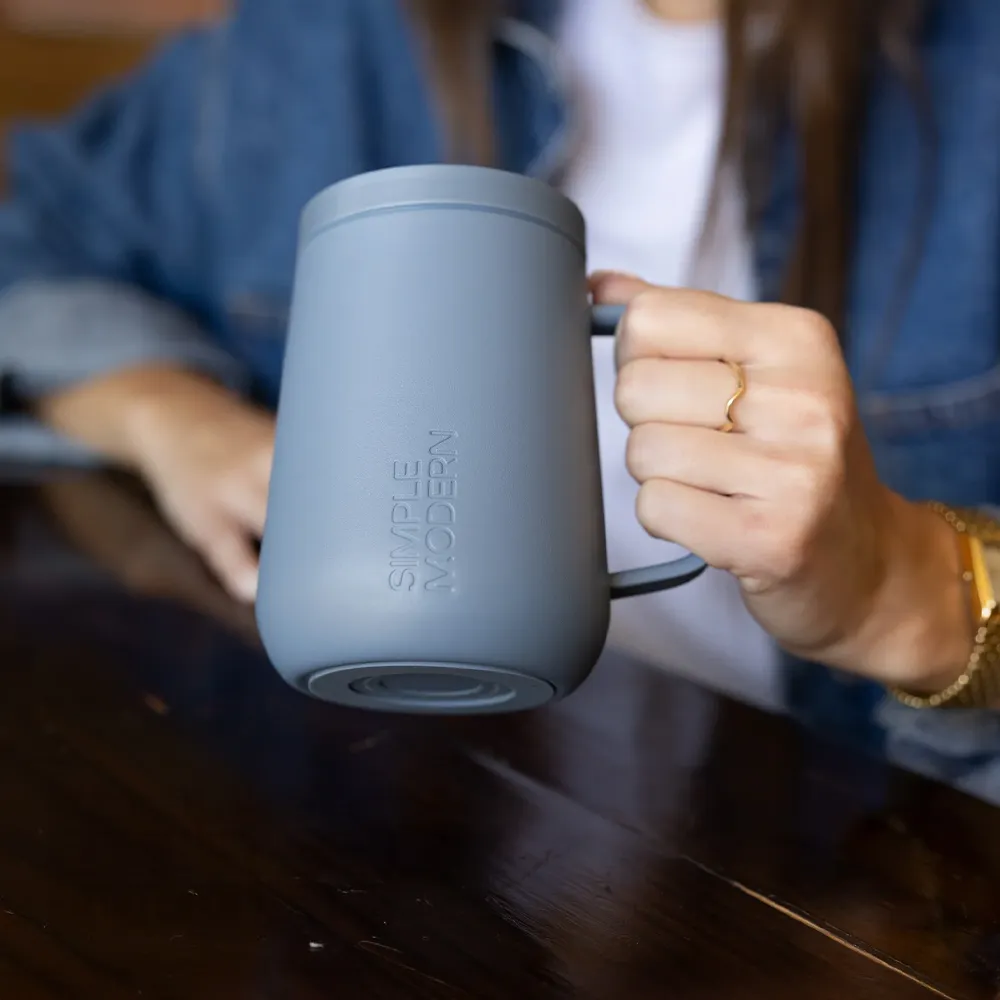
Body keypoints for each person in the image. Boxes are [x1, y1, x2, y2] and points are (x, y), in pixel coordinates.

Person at [1, 0, 999, 736]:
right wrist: (171, 416)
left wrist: (903, 590)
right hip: (356, 773)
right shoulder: (330, 36)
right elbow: (32, 232)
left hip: (817, 823)